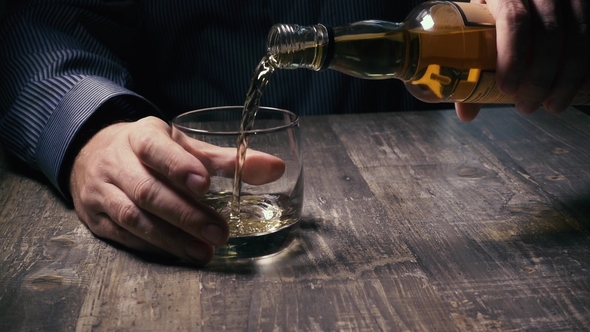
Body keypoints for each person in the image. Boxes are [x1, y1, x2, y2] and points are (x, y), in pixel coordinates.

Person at [0, 0, 588, 265]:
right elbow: (28, 19)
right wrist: (91, 129)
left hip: (448, 198)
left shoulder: (425, 37)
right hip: (171, 182)